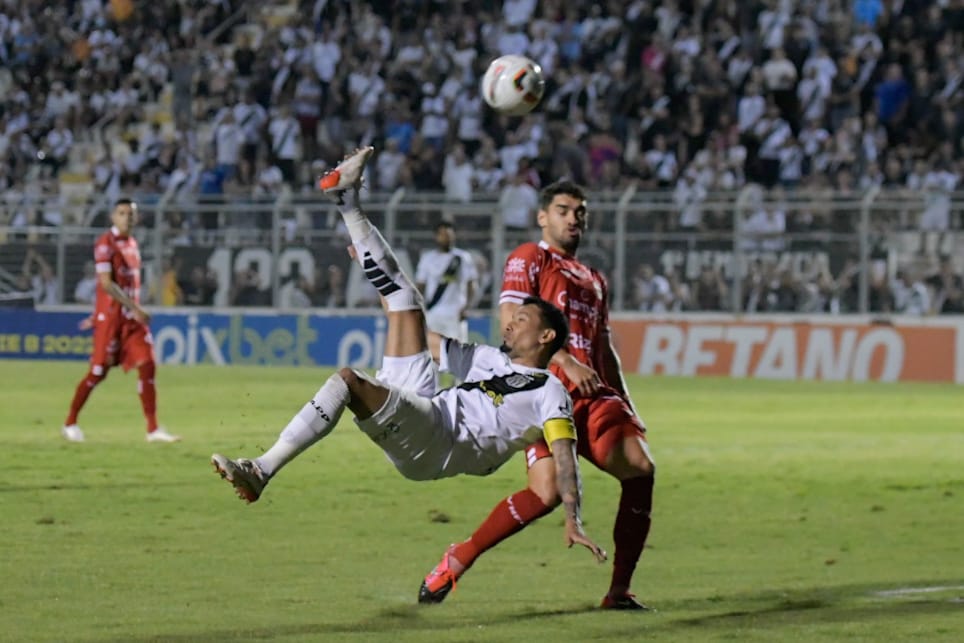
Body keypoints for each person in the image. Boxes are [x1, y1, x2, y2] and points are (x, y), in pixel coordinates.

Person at [211, 149, 606, 593]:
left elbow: (565, 458)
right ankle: (346, 200)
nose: (510, 321)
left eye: (523, 319)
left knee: (348, 381)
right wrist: (375, 272)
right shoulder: (489, 360)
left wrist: (573, 518)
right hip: (429, 408)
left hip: (436, 441)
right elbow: (422, 334)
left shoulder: (549, 389)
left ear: (547, 337)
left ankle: (261, 470)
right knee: (406, 302)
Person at [419, 180, 656, 609]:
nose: (573, 218)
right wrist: (564, 360)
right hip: (539, 394)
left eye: (579, 212)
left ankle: (618, 590)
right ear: (543, 216)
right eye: (563, 210)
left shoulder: (593, 278)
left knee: (620, 472)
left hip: (590, 396)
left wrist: (626, 402)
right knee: (567, 488)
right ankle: (461, 557)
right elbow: (510, 317)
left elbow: (604, 349)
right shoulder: (530, 257)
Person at [61, 199, 180, 444]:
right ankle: (70, 422)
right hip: (113, 320)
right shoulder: (106, 243)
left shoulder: (133, 243)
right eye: (122, 213)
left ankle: (153, 429)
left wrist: (133, 309)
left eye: (132, 214)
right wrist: (125, 309)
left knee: (148, 363)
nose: (128, 218)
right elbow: (106, 283)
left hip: (131, 320)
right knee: (97, 373)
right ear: (113, 217)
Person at [415, 220, 478, 342]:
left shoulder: (462, 257)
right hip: (433, 312)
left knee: (457, 352)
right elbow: (420, 285)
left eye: (449, 235)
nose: (446, 238)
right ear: (436, 236)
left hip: (455, 313)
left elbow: (472, 284)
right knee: (433, 351)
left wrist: (467, 308)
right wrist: (420, 307)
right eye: (442, 235)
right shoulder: (427, 258)